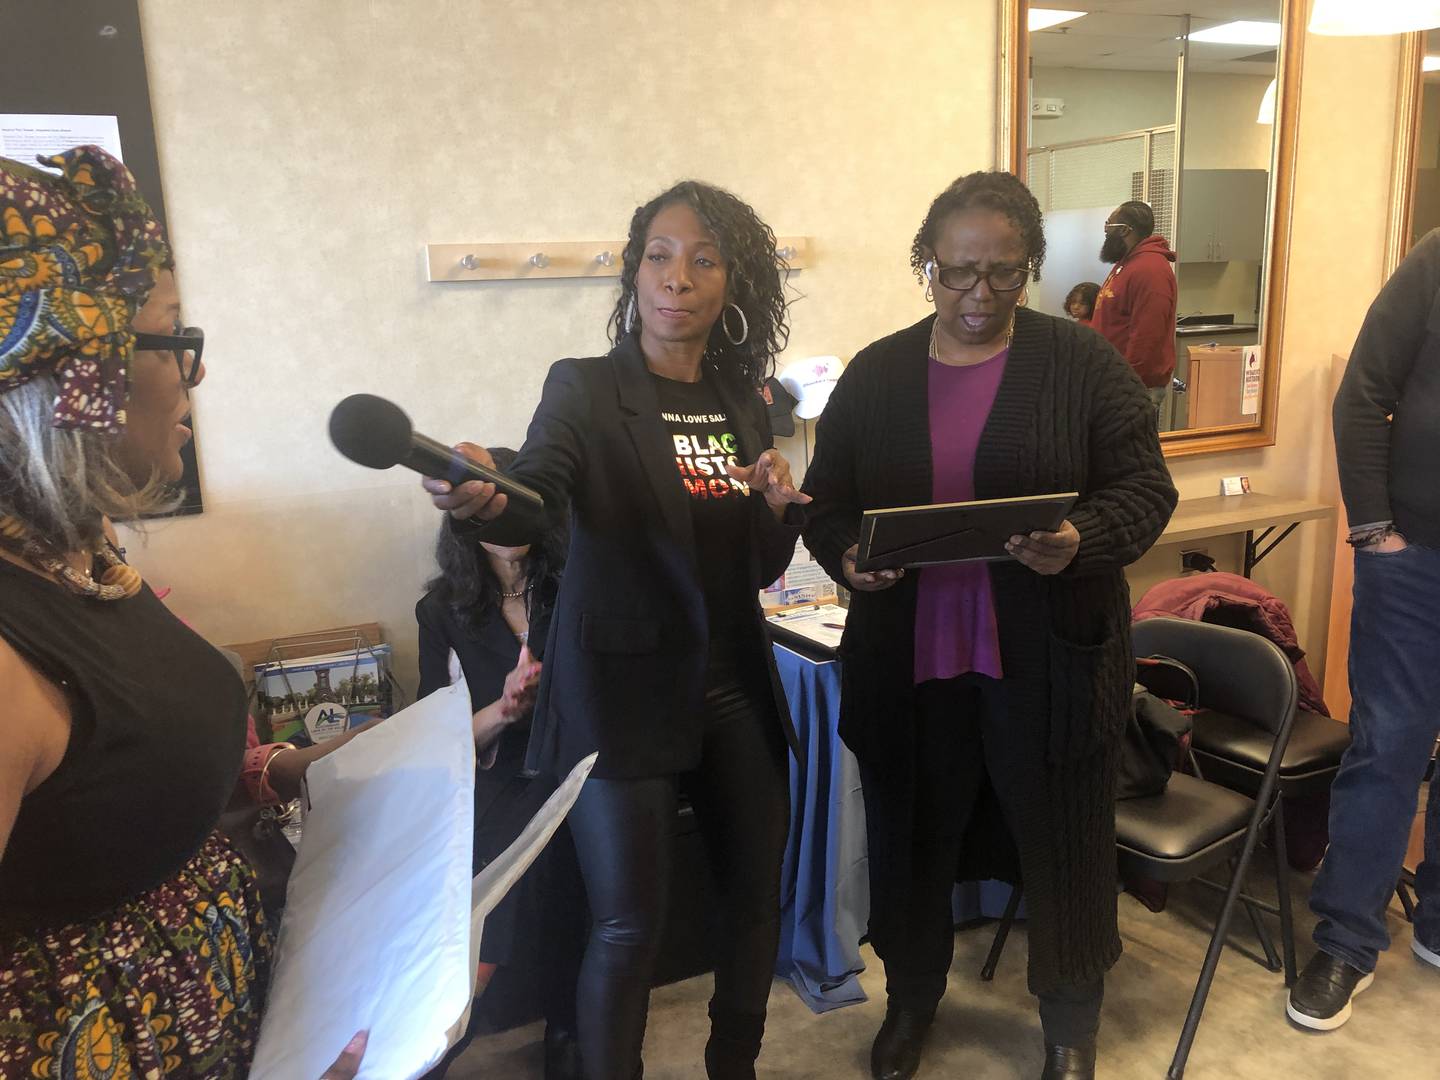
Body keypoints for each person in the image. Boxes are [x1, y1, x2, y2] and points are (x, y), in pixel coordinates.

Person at [426, 180, 808, 1080]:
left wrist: (778, 510)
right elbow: (537, 494)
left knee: (755, 898)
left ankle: (735, 1066)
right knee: (629, 926)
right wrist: (487, 502)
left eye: (704, 259)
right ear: (635, 270)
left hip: (731, 684)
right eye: (661, 254)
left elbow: (749, 568)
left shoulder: (739, 398)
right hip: (618, 695)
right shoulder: (587, 389)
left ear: (731, 282)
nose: (679, 277)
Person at [800, 171, 1177, 1080]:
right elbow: (829, 502)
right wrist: (849, 555)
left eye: (1004, 275)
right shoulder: (878, 372)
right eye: (957, 273)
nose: (979, 297)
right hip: (911, 660)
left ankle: (1069, 1030)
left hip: (1049, 662)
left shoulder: (1082, 363)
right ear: (926, 263)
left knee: (1065, 845)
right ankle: (913, 1005)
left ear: (1032, 269)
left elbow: (1145, 490)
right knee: (912, 840)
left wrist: (1081, 538)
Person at [0, 147, 365, 1078]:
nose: (192, 374)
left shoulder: (80, 557)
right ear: (73, 376)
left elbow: (132, 780)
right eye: (172, 336)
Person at [1286, 229, 1440, 1030]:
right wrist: (1376, 530)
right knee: (1389, 745)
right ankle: (1347, 939)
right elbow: (1363, 395)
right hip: (1416, 557)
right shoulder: (1437, 259)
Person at [417, 448, 586, 1079]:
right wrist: (505, 711)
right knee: (500, 862)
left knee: (570, 848)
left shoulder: (577, 587)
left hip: (582, 766)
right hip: (499, 774)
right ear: (465, 517)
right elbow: (437, 737)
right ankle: (442, 1031)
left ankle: (569, 1029)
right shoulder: (443, 611)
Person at [1090, 200, 1178, 415]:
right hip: (1114, 383)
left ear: (1124, 230)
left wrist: (1125, 385)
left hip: (1132, 389)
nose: (1105, 232)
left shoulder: (1149, 270)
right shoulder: (1127, 264)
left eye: (1108, 226)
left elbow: (1147, 337)